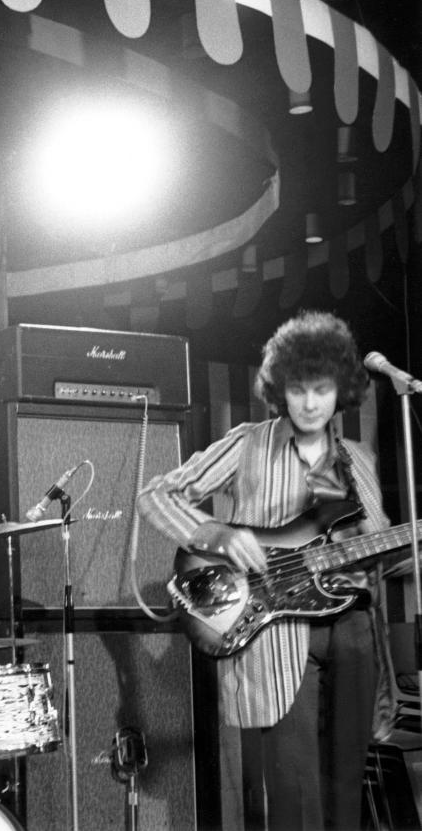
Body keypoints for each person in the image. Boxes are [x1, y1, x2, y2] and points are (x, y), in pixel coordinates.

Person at [137, 310, 391, 830]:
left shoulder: (358, 458)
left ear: (340, 387)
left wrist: (393, 547)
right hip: (275, 631)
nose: (311, 402)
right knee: (293, 799)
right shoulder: (249, 442)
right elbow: (156, 494)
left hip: (354, 629)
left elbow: (376, 547)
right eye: (298, 390)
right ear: (281, 390)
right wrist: (217, 534)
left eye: (322, 389)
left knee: (347, 788)